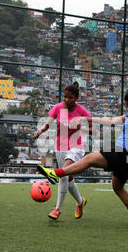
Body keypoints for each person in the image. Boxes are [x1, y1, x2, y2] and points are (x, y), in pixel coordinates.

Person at [37, 87, 128, 227]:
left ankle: (56, 174)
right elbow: (109, 120)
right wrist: (87, 118)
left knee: (89, 159)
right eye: (126, 106)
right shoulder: (127, 116)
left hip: (125, 152)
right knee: (117, 187)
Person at [34, 81, 90, 220]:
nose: (66, 100)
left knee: (63, 174)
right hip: (60, 146)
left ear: (76, 98)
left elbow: (91, 127)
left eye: (70, 97)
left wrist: (80, 128)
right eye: (65, 97)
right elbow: (48, 123)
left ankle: (57, 209)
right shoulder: (58, 108)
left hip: (76, 146)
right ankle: (80, 202)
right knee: (67, 177)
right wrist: (40, 131)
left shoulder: (81, 110)